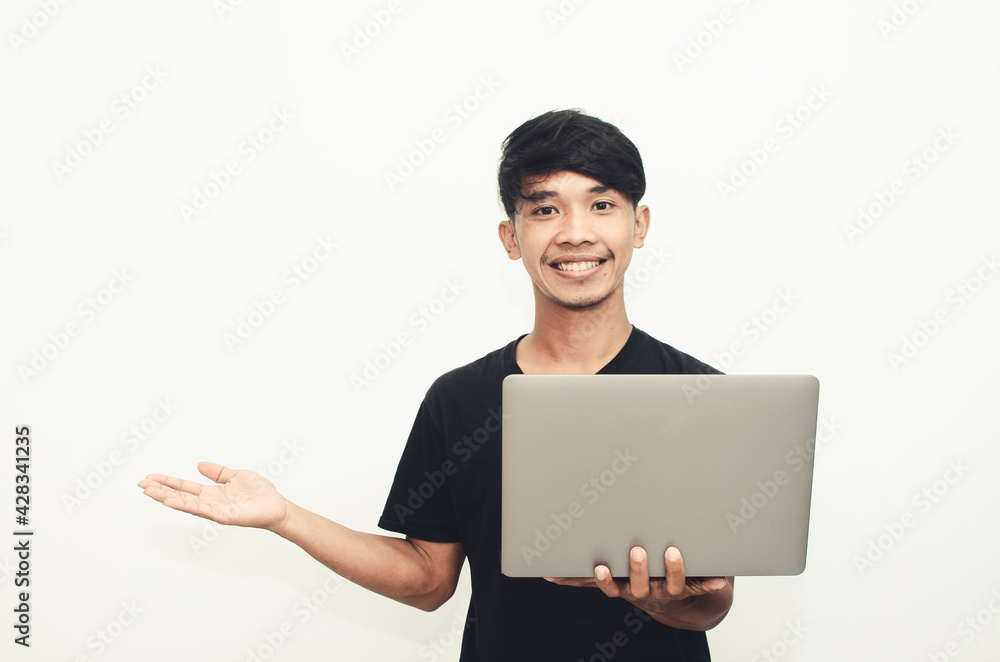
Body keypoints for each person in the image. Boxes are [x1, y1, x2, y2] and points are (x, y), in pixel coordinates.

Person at [139, 109, 735, 660]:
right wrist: (283, 516)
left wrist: (651, 597)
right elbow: (428, 579)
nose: (576, 232)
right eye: (546, 209)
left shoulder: (700, 397)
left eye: (601, 205)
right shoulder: (460, 398)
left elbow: (712, 603)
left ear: (640, 224)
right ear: (511, 237)